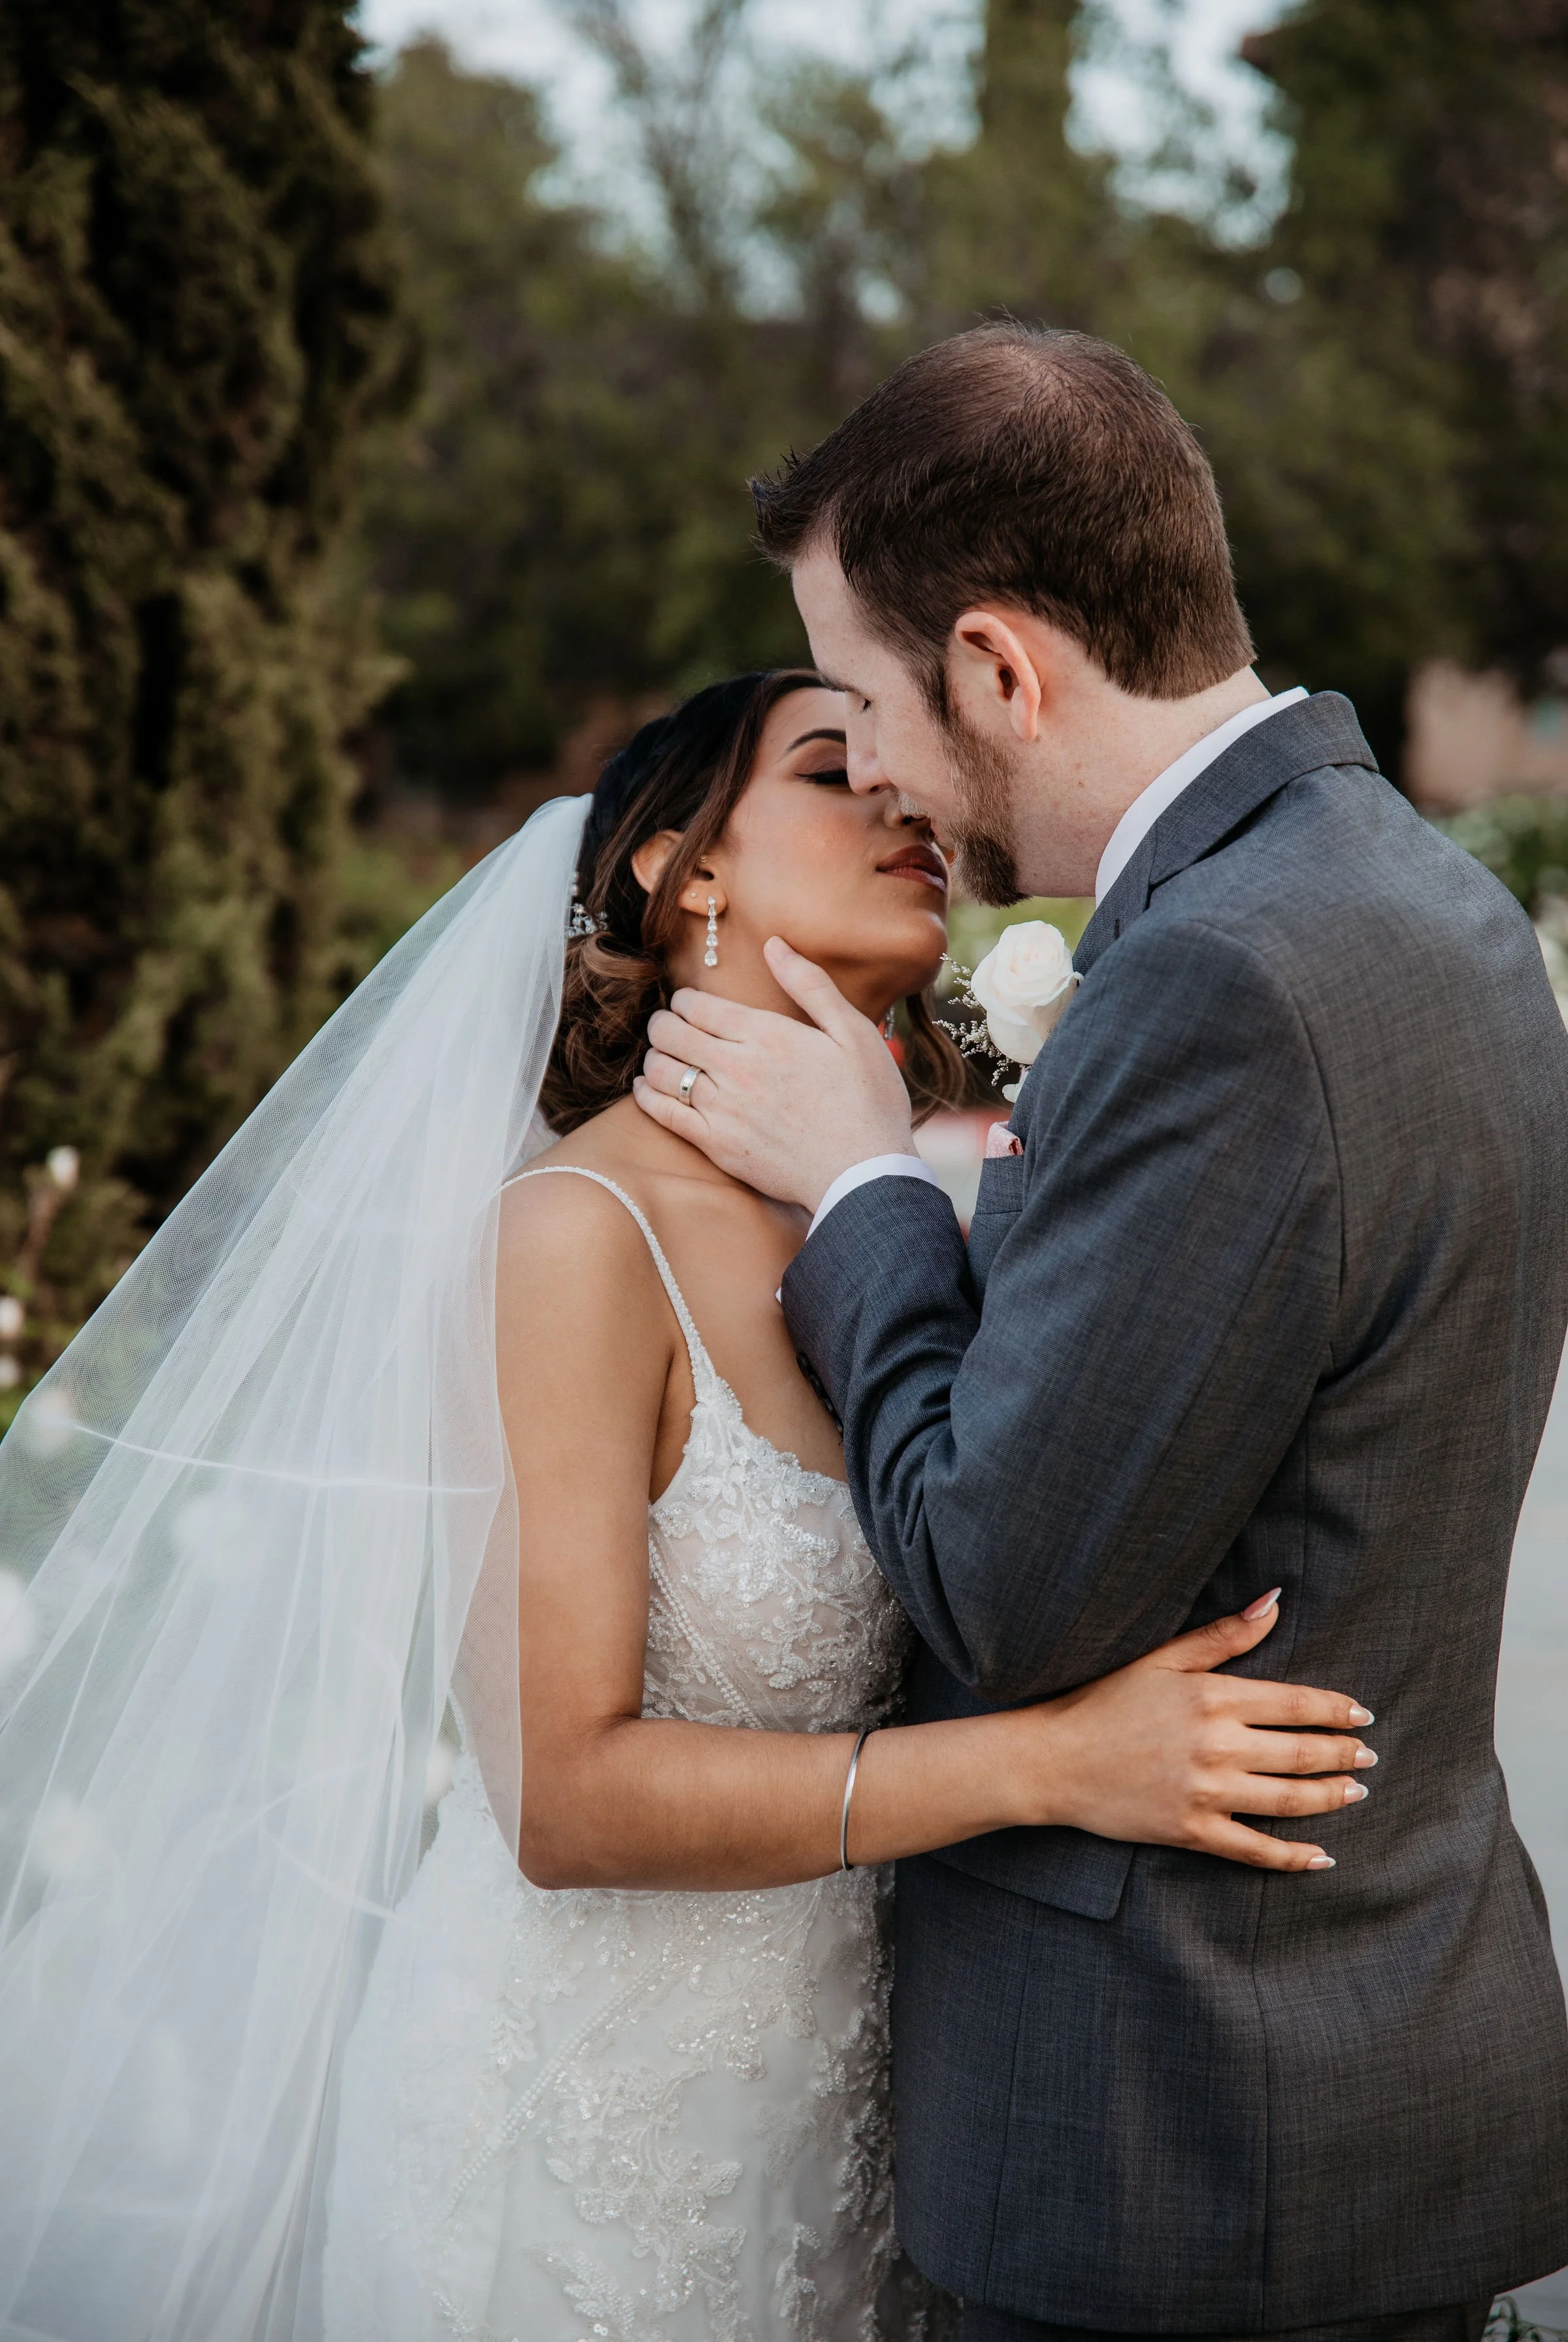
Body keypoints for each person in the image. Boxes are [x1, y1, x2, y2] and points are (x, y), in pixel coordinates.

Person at [0, 668, 1369, 2342]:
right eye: (826, 766)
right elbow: (561, 1798)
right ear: (678, 870)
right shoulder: (576, 1236)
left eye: (893, 767)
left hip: (859, 2117)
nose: (898, 801)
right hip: (583, 2131)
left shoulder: (908, 1221)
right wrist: (1058, 1765)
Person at [638, 325, 1568, 2342]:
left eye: (868, 704)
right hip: (1350, 2072)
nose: (871, 767)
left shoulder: (1224, 981)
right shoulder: (1428, 903)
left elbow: (1006, 1578)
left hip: (1170, 2148)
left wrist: (873, 1190)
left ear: (997, 667)